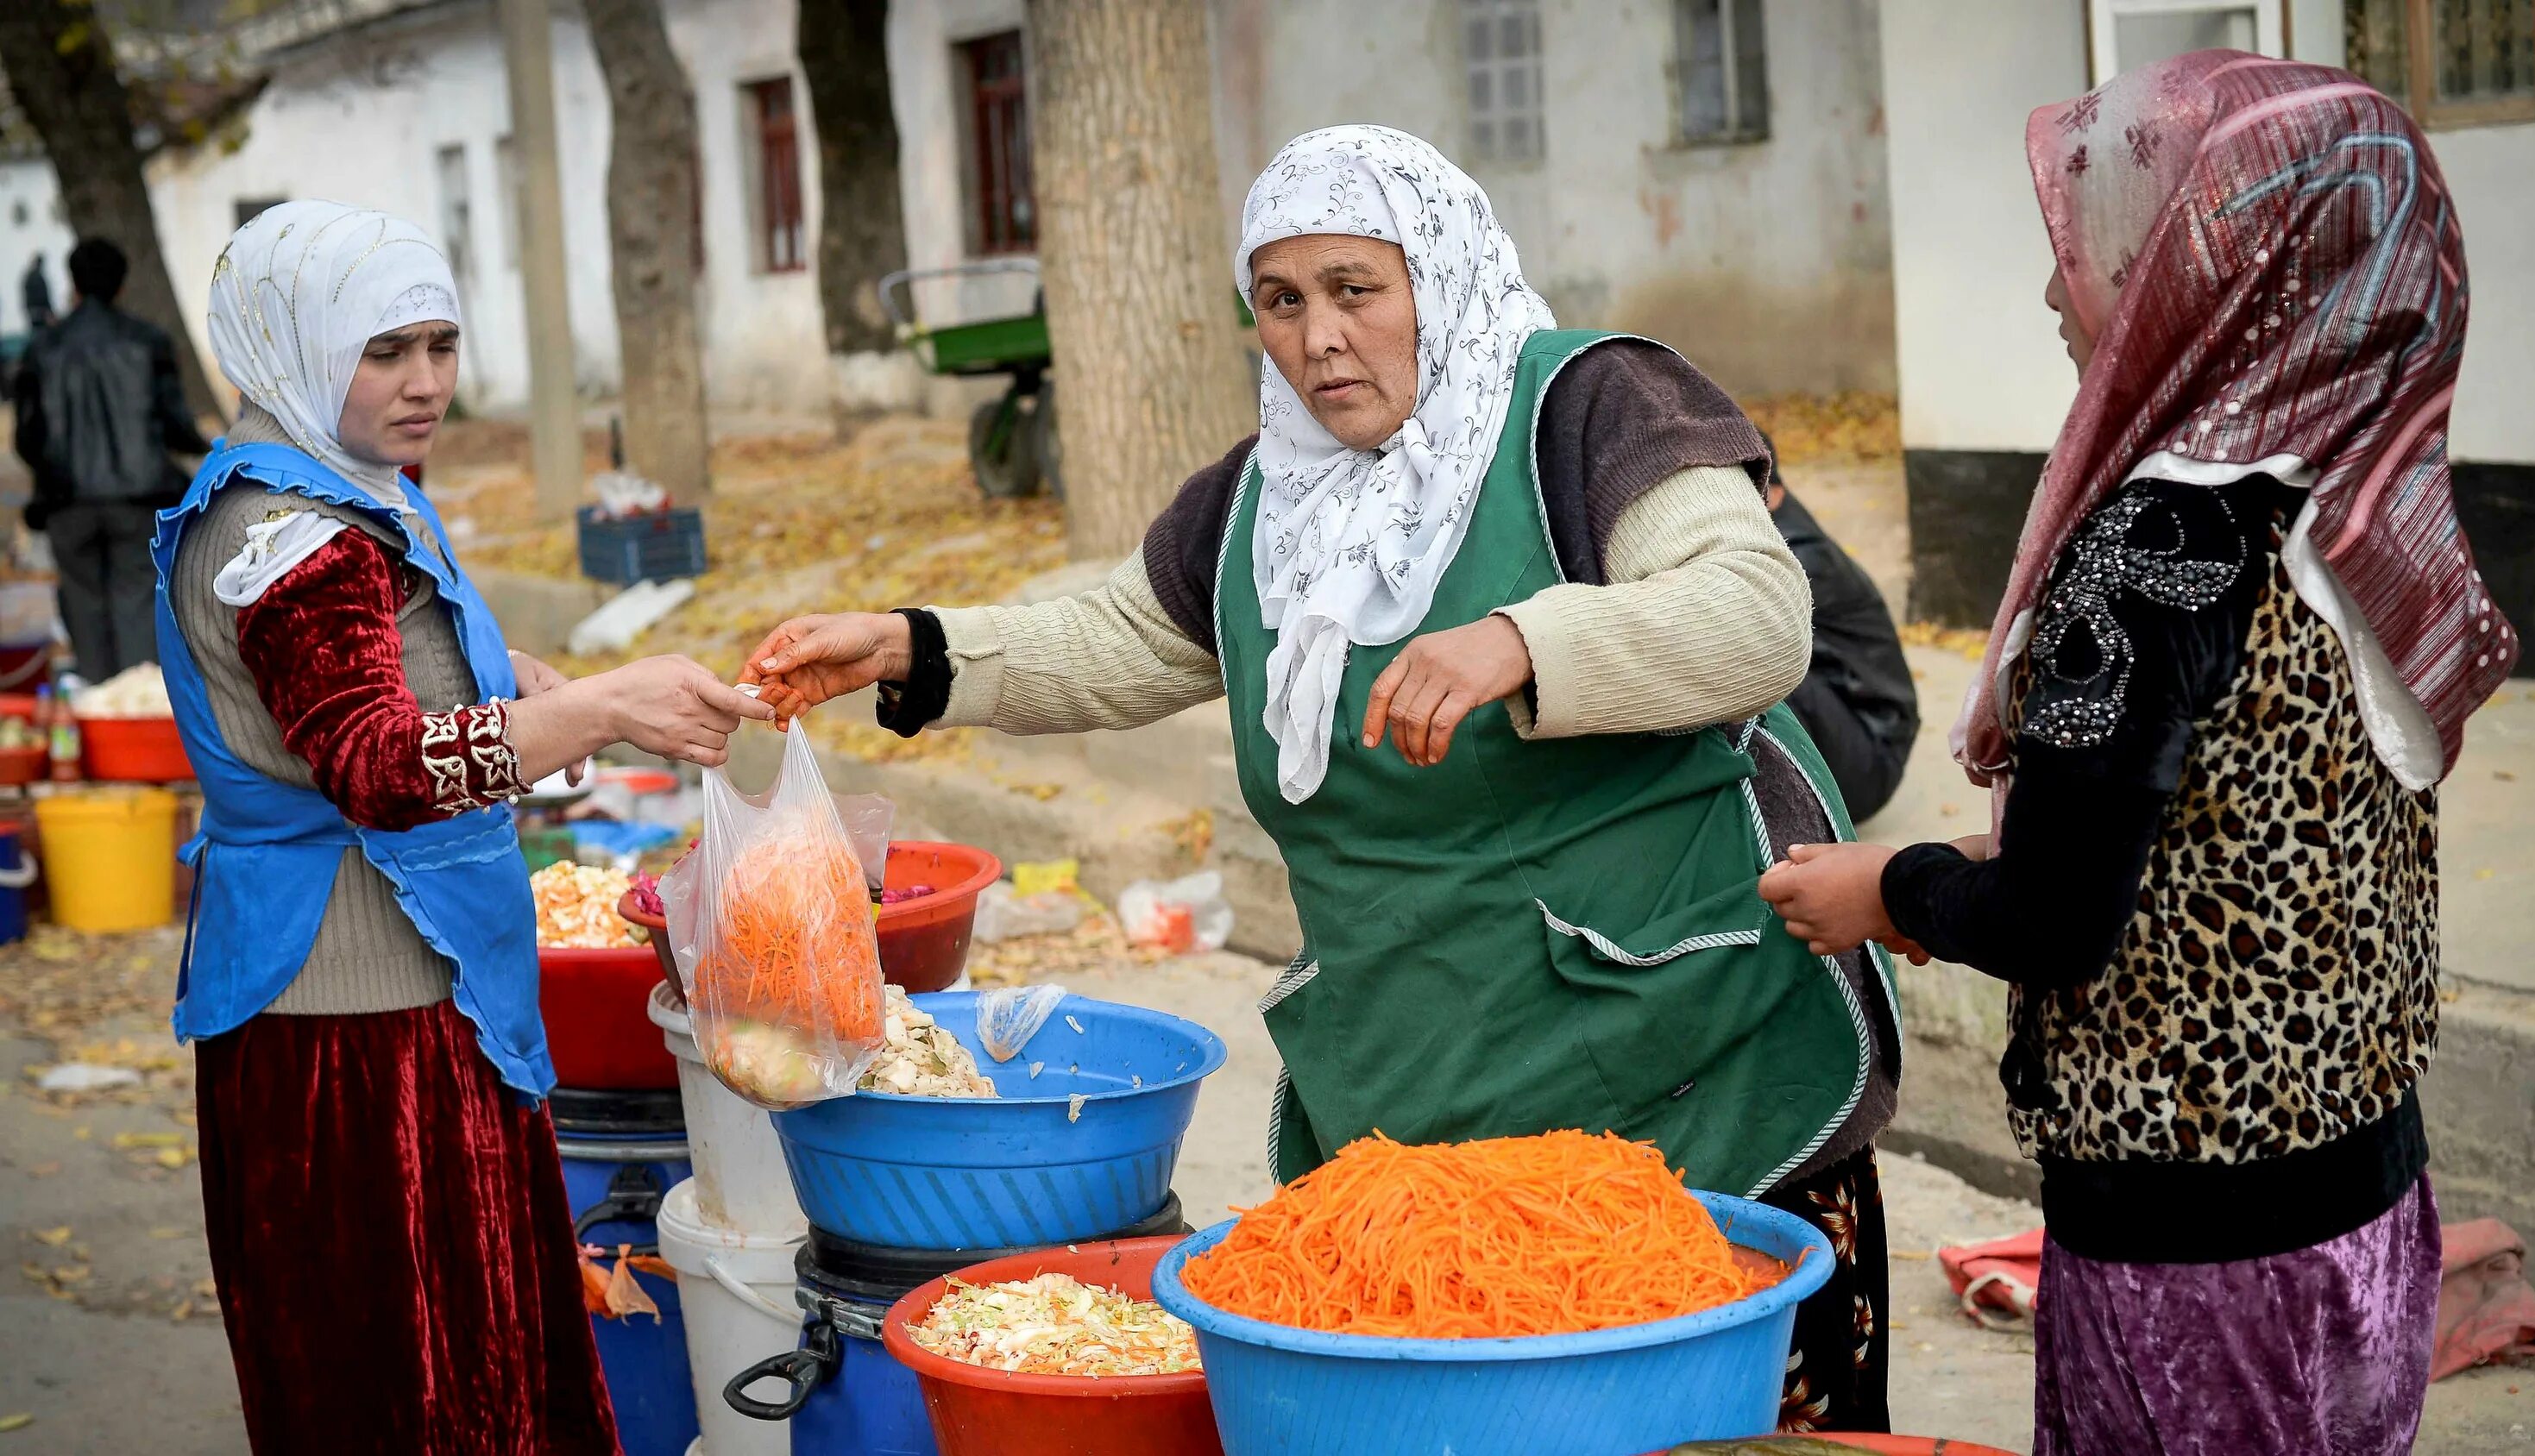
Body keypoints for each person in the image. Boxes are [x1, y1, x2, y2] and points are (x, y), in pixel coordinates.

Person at [745, 126, 1903, 1433]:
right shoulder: (1264, 492)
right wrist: (919, 648)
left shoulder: (1590, 406)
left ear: (1441, 277)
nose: (1317, 340)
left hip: (1687, 1084)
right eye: (1281, 303)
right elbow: (1131, 637)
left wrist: (1526, 640)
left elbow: (1754, 615)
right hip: (1421, 1077)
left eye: (1357, 289)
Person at [1758, 53, 2510, 1456]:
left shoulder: (2152, 546)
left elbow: (2058, 917)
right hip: (2369, 1203)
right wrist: (2001, 850)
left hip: (2197, 1252)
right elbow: (2262, 825)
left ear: (2214, 276)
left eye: (2096, 253)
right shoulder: (2353, 494)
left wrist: (1892, 887)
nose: (2057, 292)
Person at [158, 201, 771, 1453]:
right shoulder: (295, 544)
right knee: (417, 1386)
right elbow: (378, 766)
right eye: (386, 351)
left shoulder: (320, 481)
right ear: (295, 340)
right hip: (357, 1029)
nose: (426, 382)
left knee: (423, 1373)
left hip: (399, 999)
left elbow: (367, 681)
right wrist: (605, 700)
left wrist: (522, 683)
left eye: (441, 344)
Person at [13, 237, 210, 681]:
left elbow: (28, 437)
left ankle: (93, 710)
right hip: (139, 500)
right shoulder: (148, 341)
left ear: (73, 284)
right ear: (122, 285)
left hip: (67, 501)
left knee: (83, 612)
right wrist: (207, 445)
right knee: (138, 604)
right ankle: (131, 717)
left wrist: (54, 466)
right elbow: (177, 426)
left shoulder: (43, 349)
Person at [1756, 434, 1918, 821]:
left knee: (1753, 661)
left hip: (1871, 759)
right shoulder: (1773, 535)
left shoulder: (1799, 560)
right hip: (1852, 733)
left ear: (1774, 494)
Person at [21, 252, 53, 331]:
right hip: (41, 313)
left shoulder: (29, 277)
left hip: (33, 312)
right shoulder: (38, 278)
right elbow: (43, 297)